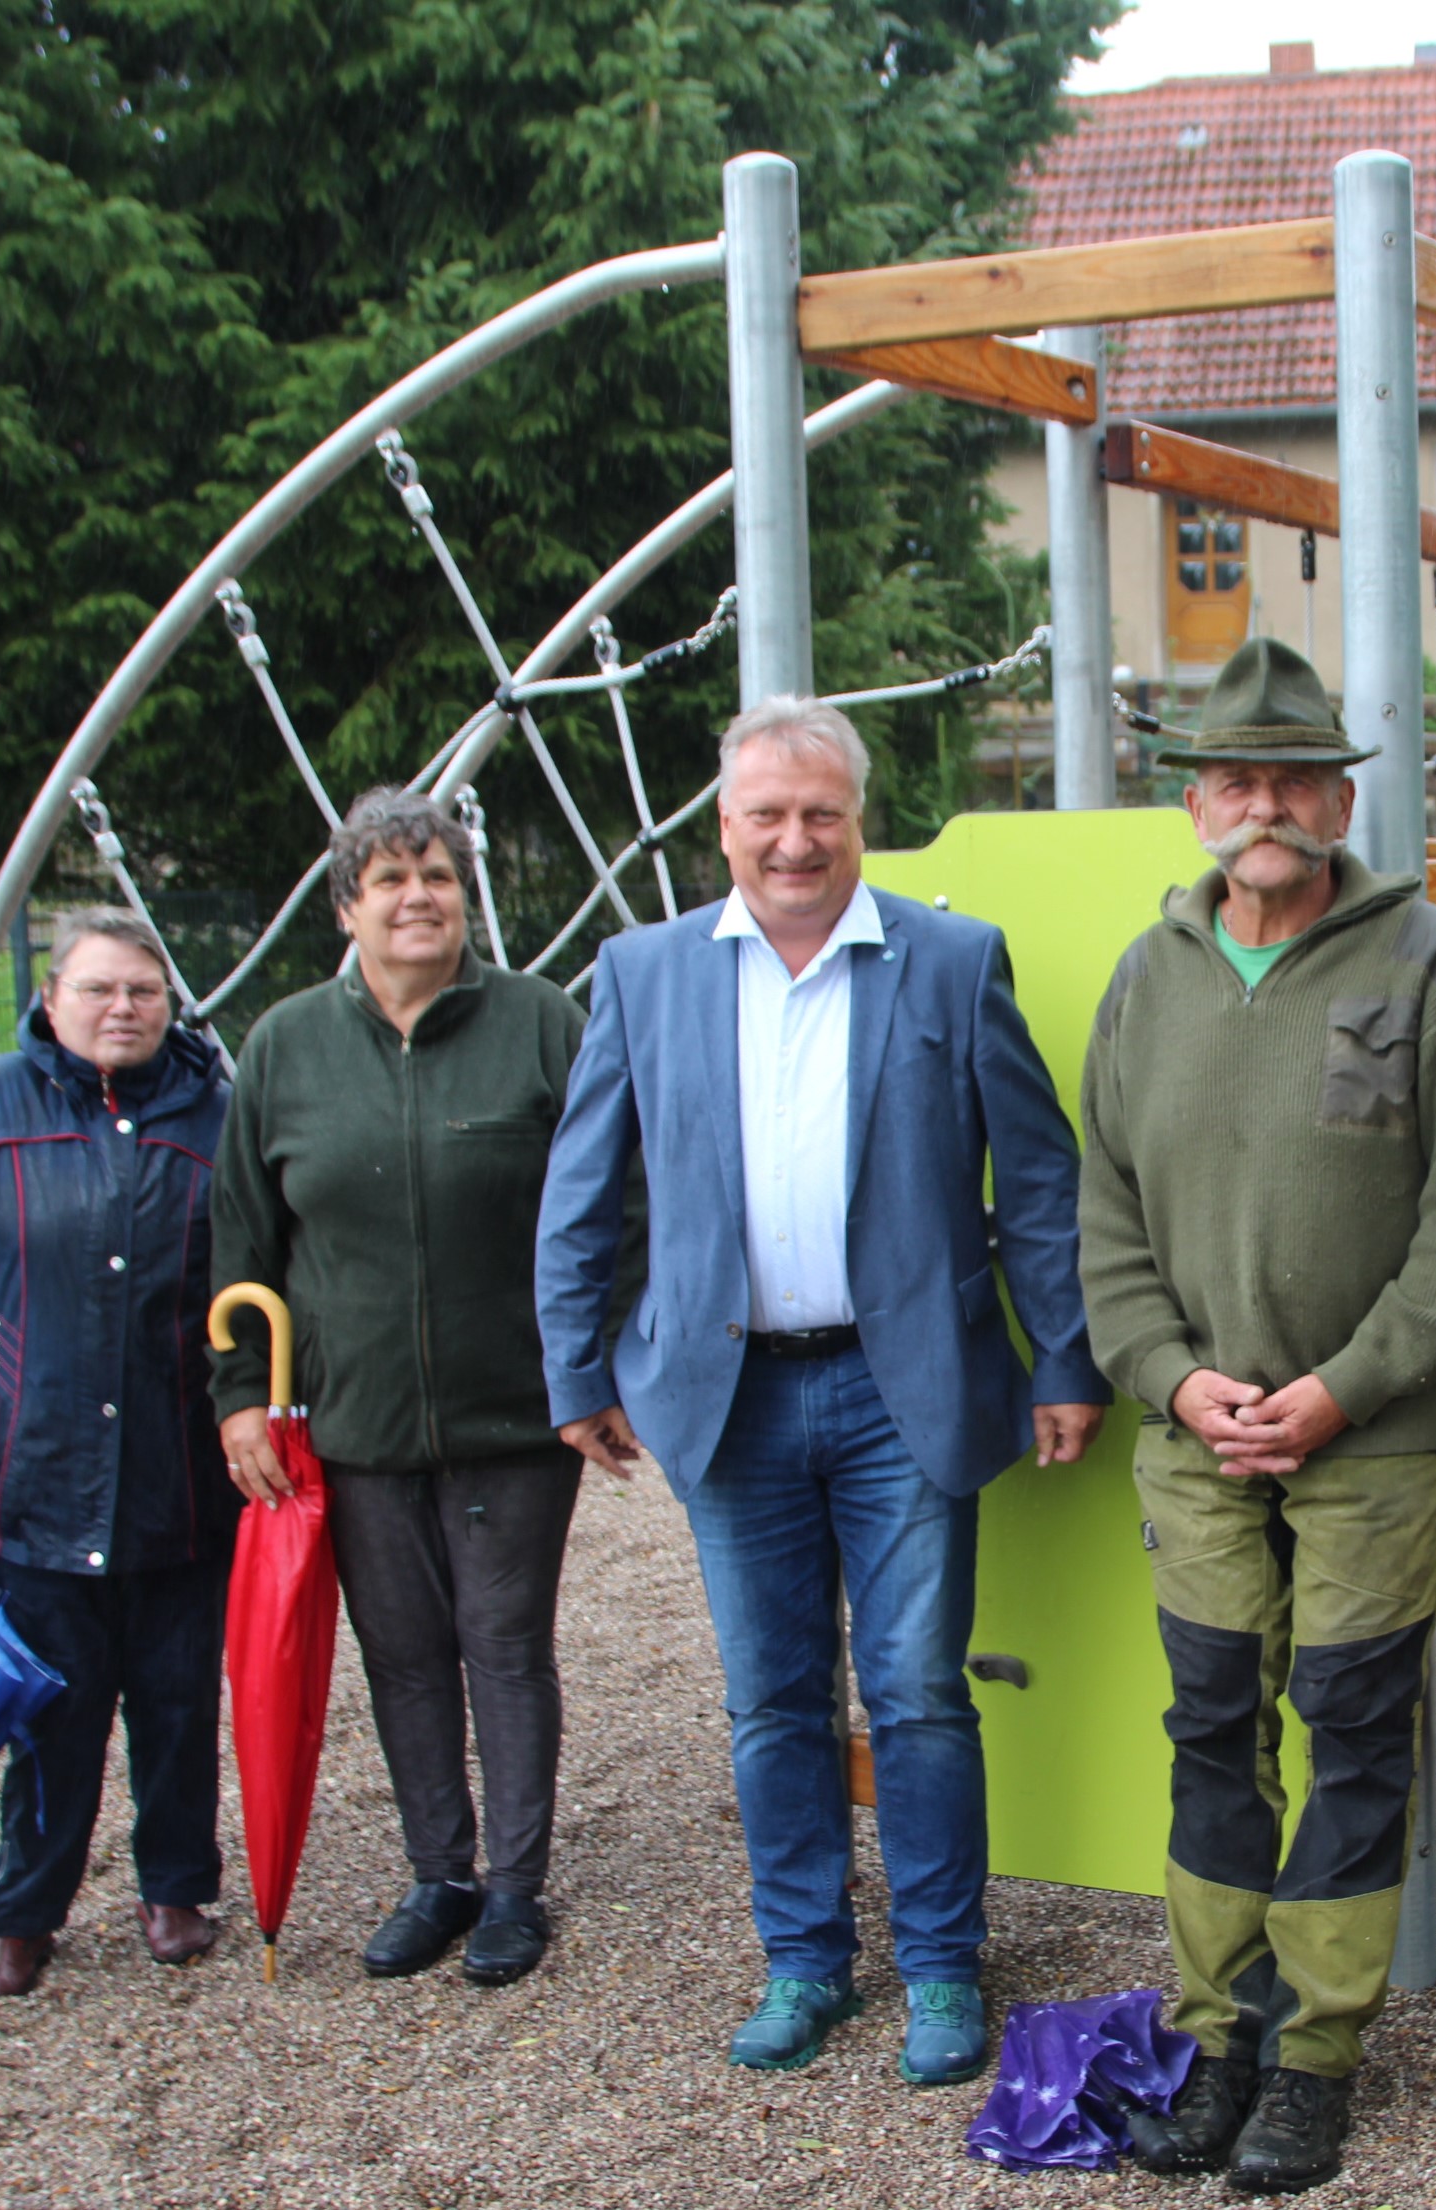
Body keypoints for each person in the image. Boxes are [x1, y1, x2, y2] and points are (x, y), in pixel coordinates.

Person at [534, 697, 1107, 2088]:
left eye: (821, 813)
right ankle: (803, 1960)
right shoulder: (642, 971)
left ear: (859, 817)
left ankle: (940, 1966)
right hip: (724, 1396)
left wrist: (1067, 1352)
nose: (795, 840)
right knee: (772, 1700)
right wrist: (574, 1365)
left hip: (898, 1387)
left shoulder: (952, 961)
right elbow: (585, 1188)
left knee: (916, 1692)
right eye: (766, 815)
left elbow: (1033, 1179)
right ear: (721, 825)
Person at [1076, 636, 1436, 2195]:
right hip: (1198, 1437)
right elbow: (1106, 1213)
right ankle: (1219, 2039)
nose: (1264, 806)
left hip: (1376, 1437)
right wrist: (1171, 1373)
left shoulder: (1428, 963)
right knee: (1212, 1725)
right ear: (1197, 802)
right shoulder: (1150, 977)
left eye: (1294, 779)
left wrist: (1342, 1388)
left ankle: (1319, 2057)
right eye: (1236, 780)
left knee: (1347, 1730)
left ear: (1340, 796)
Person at [213, 786, 599, 1988]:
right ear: (347, 906)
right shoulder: (285, 1045)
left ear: (464, 893)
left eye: (436, 873)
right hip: (359, 1416)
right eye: (390, 879)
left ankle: (516, 1889)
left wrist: (595, 1365)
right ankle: (440, 1869)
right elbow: (241, 1237)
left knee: (501, 1639)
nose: (417, 895)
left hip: (511, 1412)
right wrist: (239, 1394)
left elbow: (604, 1204)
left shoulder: (539, 1021)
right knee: (404, 1651)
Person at [0, 908, 237, 1998]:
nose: (121, 1008)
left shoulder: (214, 1113)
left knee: (176, 1699)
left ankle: (175, 1887)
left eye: (143, 990)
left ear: (169, 1005)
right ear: (52, 998)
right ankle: (25, 1908)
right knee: (48, 1708)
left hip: (179, 1470)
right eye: (98, 988)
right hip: (32, 1474)